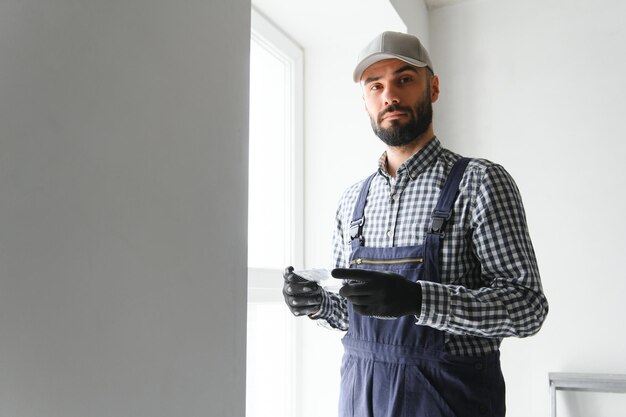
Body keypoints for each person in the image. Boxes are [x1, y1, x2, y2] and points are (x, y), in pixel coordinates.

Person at [282, 31, 548, 417]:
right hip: (361, 398)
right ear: (366, 101)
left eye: (404, 79)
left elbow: (527, 309)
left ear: (433, 87)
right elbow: (354, 315)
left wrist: (420, 300)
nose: (390, 95)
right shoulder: (351, 201)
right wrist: (318, 304)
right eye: (376, 86)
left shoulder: (479, 182)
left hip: (447, 401)